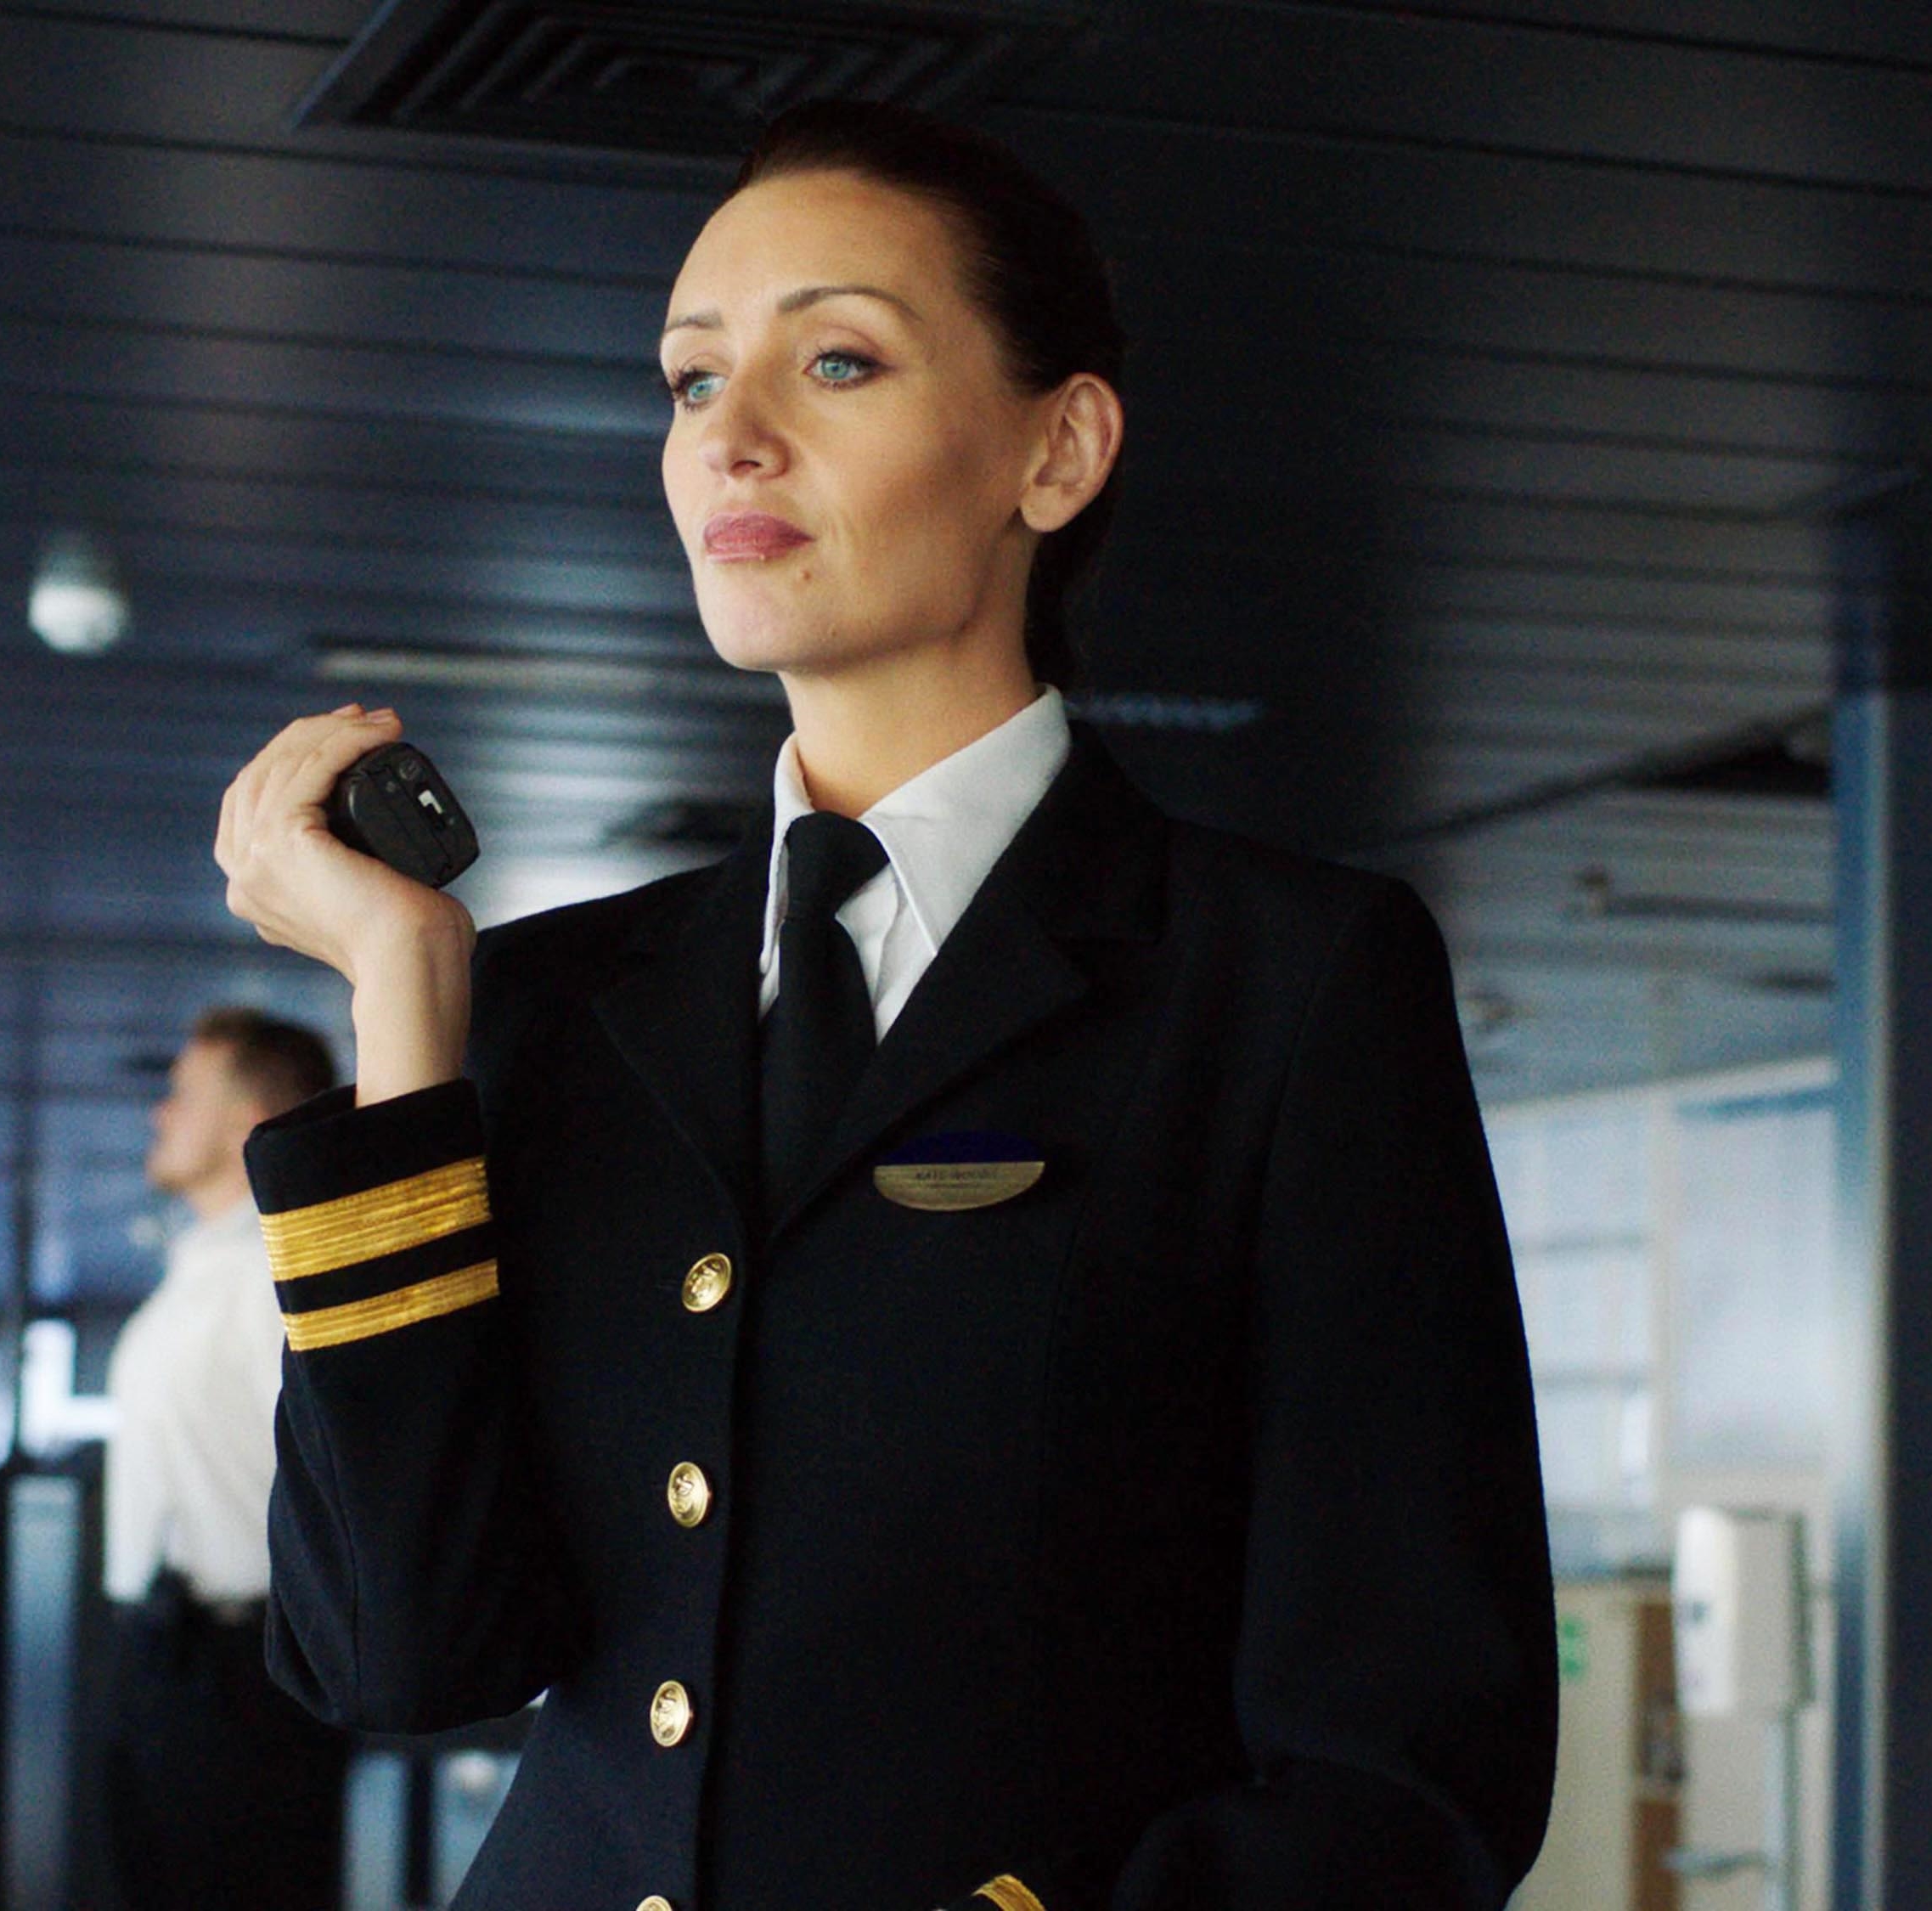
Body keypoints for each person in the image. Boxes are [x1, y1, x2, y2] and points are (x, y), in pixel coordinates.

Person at [212, 100, 1556, 1911]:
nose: (729, 441)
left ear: (1056, 450)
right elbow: (397, 1659)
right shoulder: (545, 1002)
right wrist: (402, 1009)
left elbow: (1406, 1761)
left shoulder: (1280, 986)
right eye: (689, 384)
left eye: (833, 361)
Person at [101, 1007, 352, 1911]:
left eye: (180, 1095)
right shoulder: (198, 1269)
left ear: (248, 1119)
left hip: (243, 1667)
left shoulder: (275, 1276)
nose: (157, 1115)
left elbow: (334, 1483)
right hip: (163, 1648)